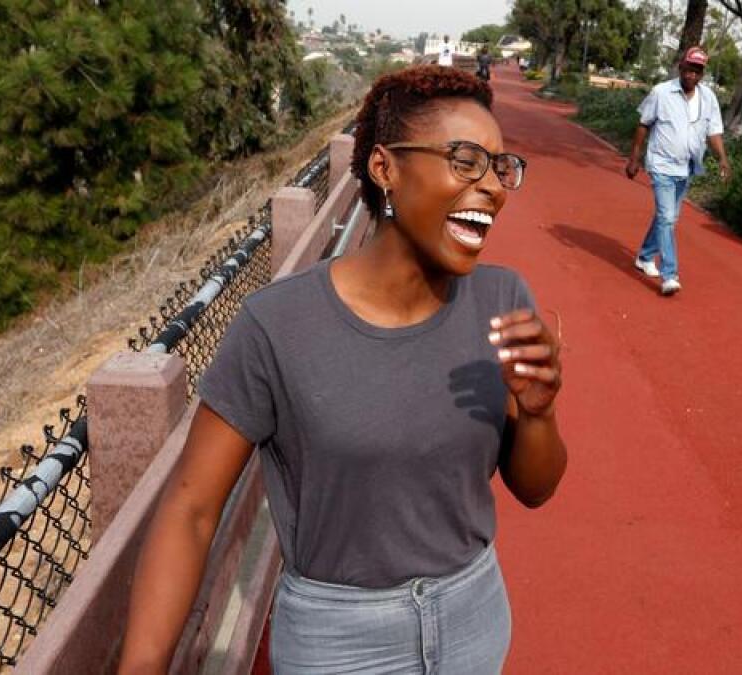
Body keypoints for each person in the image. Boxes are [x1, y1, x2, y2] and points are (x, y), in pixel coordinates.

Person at [116, 66, 568, 674]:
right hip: (338, 642)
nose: (492, 186)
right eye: (465, 160)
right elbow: (191, 509)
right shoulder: (278, 325)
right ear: (385, 168)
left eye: (500, 166)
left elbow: (535, 489)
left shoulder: (502, 299)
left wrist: (539, 414)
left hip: (473, 616)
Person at [625, 46, 731, 297]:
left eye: (698, 70)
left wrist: (723, 159)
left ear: (702, 73)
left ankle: (645, 255)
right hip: (661, 164)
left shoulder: (709, 99)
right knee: (667, 217)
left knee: (667, 216)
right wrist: (634, 157)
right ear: (680, 67)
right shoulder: (661, 92)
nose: (692, 74)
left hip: (687, 166)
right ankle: (669, 275)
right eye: (689, 68)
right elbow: (643, 124)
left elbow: (713, 132)